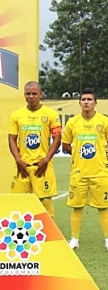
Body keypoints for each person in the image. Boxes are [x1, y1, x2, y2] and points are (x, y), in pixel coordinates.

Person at [61, 89, 108, 250]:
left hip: (99, 172)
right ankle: (74, 239)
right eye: (83, 99)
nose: (86, 102)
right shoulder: (73, 122)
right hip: (79, 172)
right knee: (77, 206)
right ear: (79, 103)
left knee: (103, 206)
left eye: (89, 99)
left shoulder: (104, 121)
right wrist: (78, 154)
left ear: (95, 103)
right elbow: (65, 145)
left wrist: (101, 155)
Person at [8, 81, 62, 218]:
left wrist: (46, 160)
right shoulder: (16, 115)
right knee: (18, 203)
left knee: (45, 202)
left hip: (42, 166)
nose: (31, 96)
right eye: (28, 94)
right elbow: (11, 139)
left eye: (34, 93)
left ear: (40, 94)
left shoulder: (51, 114)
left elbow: (57, 138)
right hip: (23, 166)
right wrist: (18, 161)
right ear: (24, 95)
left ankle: (48, 237)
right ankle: (19, 237)